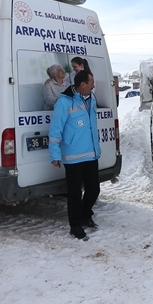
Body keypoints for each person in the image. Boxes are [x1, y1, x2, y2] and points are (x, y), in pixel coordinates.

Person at [48, 70, 101, 241]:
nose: (94, 85)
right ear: (82, 84)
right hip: (73, 156)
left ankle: (86, 215)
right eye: (91, 82)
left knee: (94, 189)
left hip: (91, 154)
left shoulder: (91, 98)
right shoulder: (64, 102)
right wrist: (55, 155)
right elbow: (56, 130)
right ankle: (75, 225)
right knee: (75, 194)